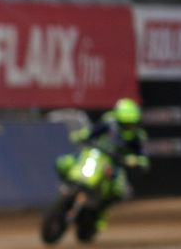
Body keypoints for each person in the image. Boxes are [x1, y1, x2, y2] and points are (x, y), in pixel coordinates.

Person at [63, 97, 150, 231]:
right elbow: (92, 132)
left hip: (115, 164)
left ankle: (100, 215)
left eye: (130, 124)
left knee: (117, 190)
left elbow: (143, 156)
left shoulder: (137, 136)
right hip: (98, 156)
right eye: (125, 124)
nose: (128, 127)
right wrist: (80, 136)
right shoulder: (109, 123)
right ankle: (66, 189)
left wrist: (137, 161)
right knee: (64, 163)